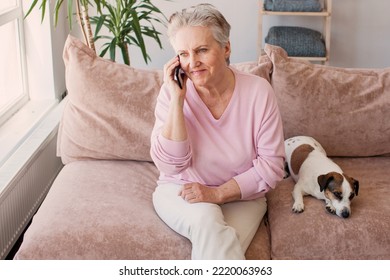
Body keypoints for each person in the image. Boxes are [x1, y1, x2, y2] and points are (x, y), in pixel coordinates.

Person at [150, 3, 285, 260]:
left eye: (201, 50)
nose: (192, 63)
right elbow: (170, 165)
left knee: (218, 249)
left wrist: (217, 194)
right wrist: (178, 101)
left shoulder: (258, 91)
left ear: (225, 48)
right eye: (184, 54)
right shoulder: (172, 92)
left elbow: (272, 166)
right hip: (179, 189)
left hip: (243, 197)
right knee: (207, 218)